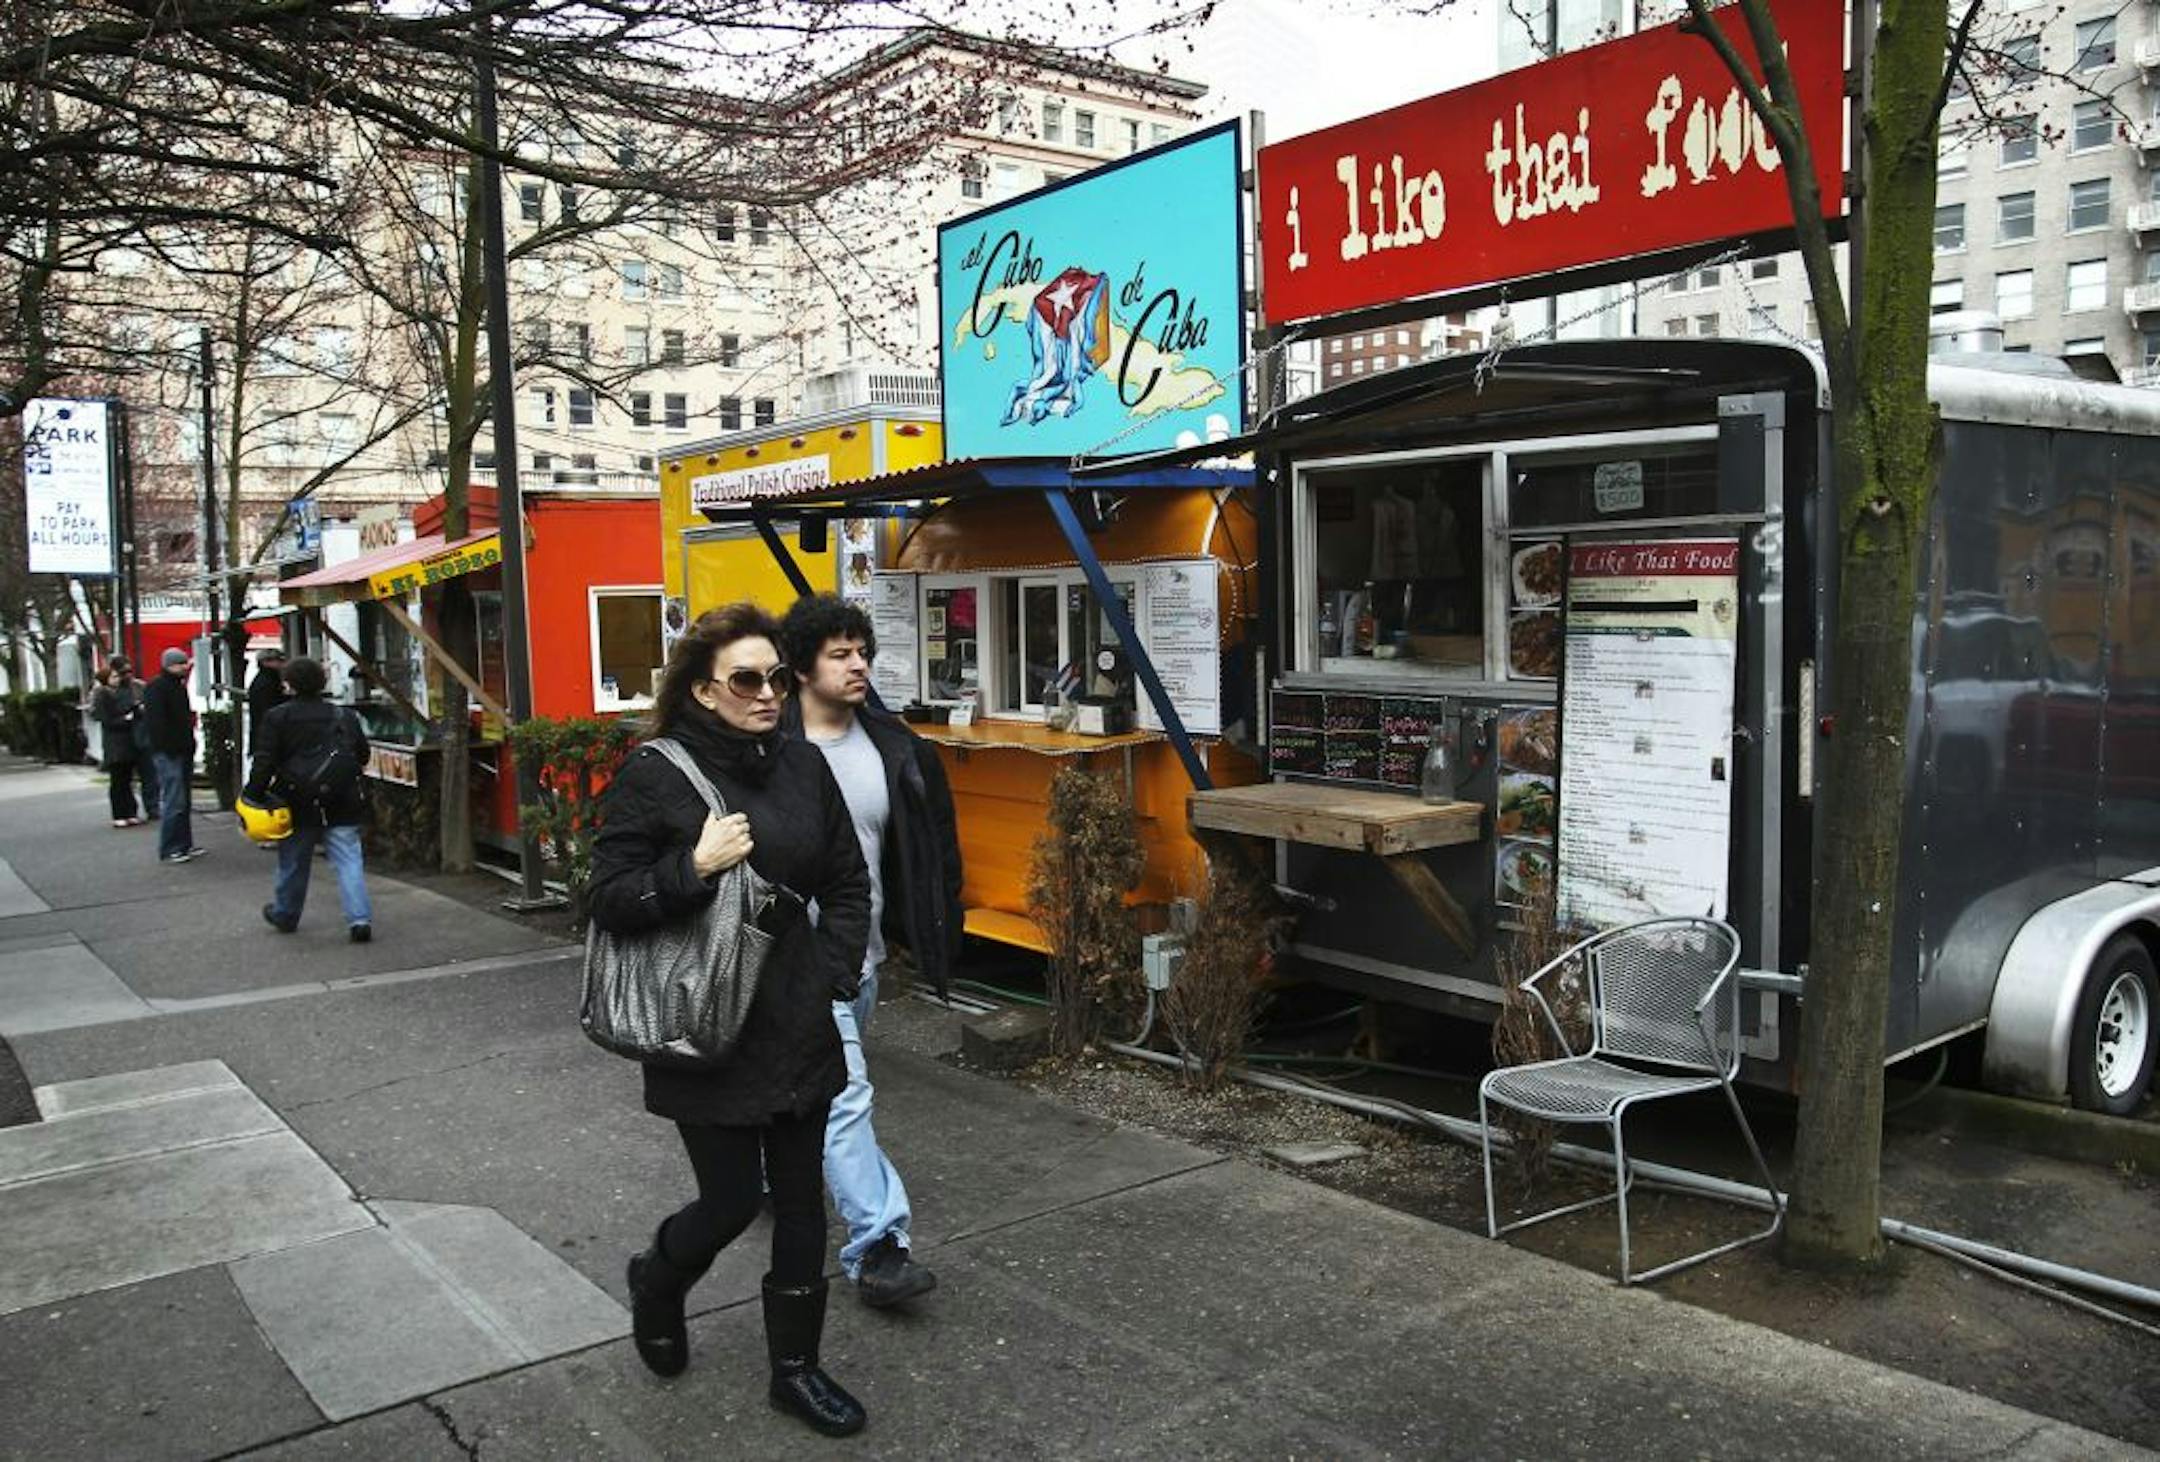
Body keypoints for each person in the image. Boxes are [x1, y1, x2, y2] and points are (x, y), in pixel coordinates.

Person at [587, 603, 872, 1438]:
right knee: (729, 1200)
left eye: (778, 677)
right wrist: (693, 866)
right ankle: (659, 1280)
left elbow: (847, 884)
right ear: (706, 692)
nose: (768, 693)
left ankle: (796, 1370)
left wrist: (830, 972)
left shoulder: (802, 767)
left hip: (795, 1013)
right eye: (746, 679)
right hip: (705, 1025)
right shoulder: (656, 774)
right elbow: (606, 898)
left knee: (802, 1201)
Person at [779, 593, 962, 1311]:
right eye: (840, 654)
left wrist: (937, 929)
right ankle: (879, 1244)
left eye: (863, 652)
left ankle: (771, 1173)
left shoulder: (896, 749)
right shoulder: (771, 751)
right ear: (800, 668)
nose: (859, 666)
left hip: (866, 957)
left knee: (814, 1095)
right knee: (847, 1096)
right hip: (795, 962)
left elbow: (929, 851)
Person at [245, 656, 373, 942]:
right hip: (342, 798)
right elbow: (362, 755)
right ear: (322, 682)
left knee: (293, 860)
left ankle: (286, 913)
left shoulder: (277, 717)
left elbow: (264, 761)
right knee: (349, 860)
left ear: (288, 684)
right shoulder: (344, 716)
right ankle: (359, 919)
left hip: (296, 800)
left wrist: (253, 796)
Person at [141, 647, 205, 864]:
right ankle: (170, 847)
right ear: (170, 665)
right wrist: (169, 746)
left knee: (181, 800)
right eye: (180, 663)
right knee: (175, 799)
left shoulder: (169, 686)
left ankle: (182, 844)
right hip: (170, 751)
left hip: (179, 749)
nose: (185, 667)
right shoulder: (159, 688)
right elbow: (157, 722)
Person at [90, 658, 159, 828]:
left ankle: (134, 811)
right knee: (119, 781)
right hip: (118, 743)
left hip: (134, 740)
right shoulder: (103, 694)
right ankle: (121, 814)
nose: (122, 677)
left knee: (133, 778)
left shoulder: (137, 687)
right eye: (118, 674)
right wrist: (127, 718)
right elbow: (103, 717)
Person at [246, 648, 289, 750]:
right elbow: (270, 709)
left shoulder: (266, 680)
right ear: (266, 662)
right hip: (268, 737)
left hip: (263, 736)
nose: (282, 664)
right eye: (278, 660)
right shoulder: (268, 683)